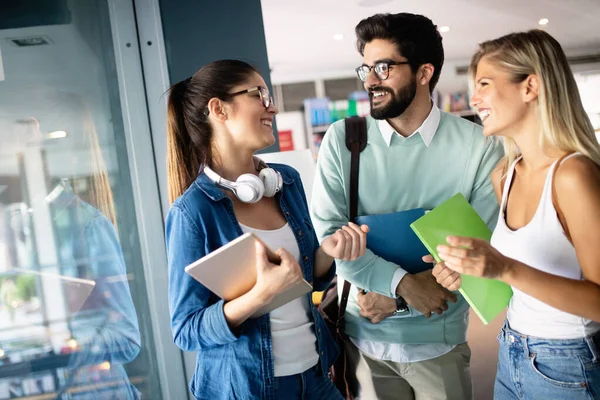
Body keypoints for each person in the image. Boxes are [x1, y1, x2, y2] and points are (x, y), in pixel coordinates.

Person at [310, 13, 504, 400]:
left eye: (383, 67)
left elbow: (482, 246)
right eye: (366, 67)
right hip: (361, 340)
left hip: (440, 342)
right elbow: (332, 236)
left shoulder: (479, 145)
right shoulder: (342, 140)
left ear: (424, 72)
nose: (370, 80)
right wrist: (399, 286)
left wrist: (395, 299)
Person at [165, 59, 369, 400]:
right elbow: (186, 330)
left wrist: (327, 253)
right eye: (258, 94)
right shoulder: (192, 212)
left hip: (316, 376)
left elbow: (306, 280)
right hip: (250, 389)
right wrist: (261, 295)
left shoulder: (286, 181)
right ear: (219, 109)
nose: (271, 107)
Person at [433, 29, 600, 399]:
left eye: (485, 84)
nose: (474, 99)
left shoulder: (573, 175)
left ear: (530, 87)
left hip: (567, 362)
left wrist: (503, 267)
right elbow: (518, 282)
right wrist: (470, 267)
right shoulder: (504, 175)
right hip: (511, 349)